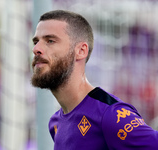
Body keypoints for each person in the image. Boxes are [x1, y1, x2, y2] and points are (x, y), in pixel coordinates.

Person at [31, 10, 158, 150]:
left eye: (50, 41)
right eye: (36, 42)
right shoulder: (55, 123)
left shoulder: (111, 115)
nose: (36, 49)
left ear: (81, 51)